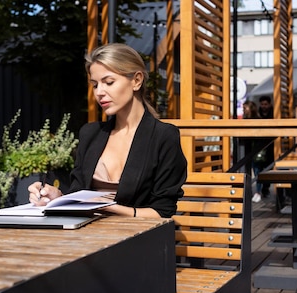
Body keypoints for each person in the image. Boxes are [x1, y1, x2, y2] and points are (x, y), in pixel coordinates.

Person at [28, 43, 187, 218]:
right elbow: (78, 195)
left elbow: (162, 212)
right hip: (88, 234)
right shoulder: (90, 134)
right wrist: (56, 197)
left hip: (138, 237)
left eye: (109, 82)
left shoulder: (163, 136)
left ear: (136, 80)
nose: (99, 92)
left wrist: (105, 208)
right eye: (95, 85)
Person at [242, 101, 265, 203]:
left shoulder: (256, 120)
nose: (244, 110)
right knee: (248, 172)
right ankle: (249, 191)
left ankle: (258, 192)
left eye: (245, 108)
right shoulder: (245, 119)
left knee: (256, 171)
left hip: (254, 149)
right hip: (247, 149)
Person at [255, 96, 275, 199]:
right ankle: (259, 189)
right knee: (258, 168)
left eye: (265, 104)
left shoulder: (274, 114)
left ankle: (265, 188)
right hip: (259, 145)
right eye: (262, 104)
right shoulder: (256, 114)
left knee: (268, 168)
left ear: (269, 104)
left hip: (271, 145)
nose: (263, 106)